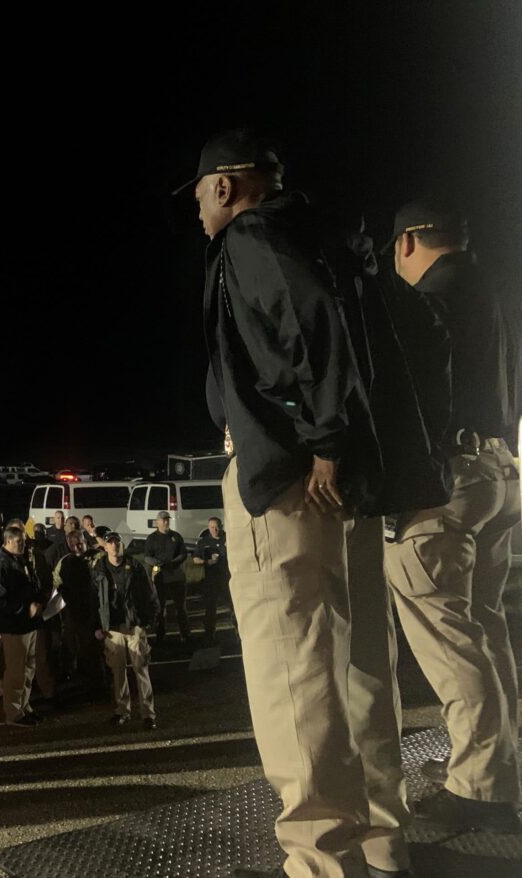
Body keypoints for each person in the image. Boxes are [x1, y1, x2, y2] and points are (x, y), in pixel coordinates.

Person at [185, 129, 404, 878]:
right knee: (362, 666)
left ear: (224, 186)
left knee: (296, 673)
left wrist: (323, 439)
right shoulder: (328, 235)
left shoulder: (251, 234)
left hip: (289, 482)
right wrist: (339, 443)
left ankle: (321, 860)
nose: (197, 210)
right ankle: (382, 842)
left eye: (198, 194)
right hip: (346, 484)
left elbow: (306, 322)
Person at [383, 202, 521, 833]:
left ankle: (481, 786)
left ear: (407, 242)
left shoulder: (428, 300)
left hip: (450, 481)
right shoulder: (489, 293)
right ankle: (494, 766)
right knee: (485, 629)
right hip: (498, 469)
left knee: (450, 637)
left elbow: (407, 397)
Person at [91, 533, 158, 729]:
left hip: (134, 624)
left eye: (117, 542)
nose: (114, 546)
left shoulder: (135, 567)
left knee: (141, 668)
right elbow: (93, 599)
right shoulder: (98, 570)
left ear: (122, 545)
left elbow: (149, 592)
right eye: (110, 543)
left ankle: (148, 714)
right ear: (105, 547)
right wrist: (96, 625)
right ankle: (122, 710)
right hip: (112, 627)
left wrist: (150, 619)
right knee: (117, 671)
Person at [0, 526, 43, 728]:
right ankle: (13, 713)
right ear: (8, 541)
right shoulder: (0, 564)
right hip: (14, 626)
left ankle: (24, 706)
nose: (23, 545)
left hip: (27, 624)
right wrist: (24, 608)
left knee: (28, 668)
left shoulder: (19, 559)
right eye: (20, 542)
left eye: (24, 541)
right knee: (16, 671)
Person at [54, 530, 102, 688]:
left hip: (95, 609)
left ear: (85, 541)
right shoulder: (65, 562)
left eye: (79, 543)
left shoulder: (97, 557)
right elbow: (57, 583)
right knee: (71, 643)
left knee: (93, 646)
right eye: (73, 544)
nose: (77, 547)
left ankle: (97, 680)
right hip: (73, 610)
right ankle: (70, 673)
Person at [142, 512, 190, 643]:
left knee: (181, 608)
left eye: (167, 520)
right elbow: (147, 557)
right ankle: (160, 636)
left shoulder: (176, 536)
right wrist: (158, 563)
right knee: (160, 608)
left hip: (177, 577)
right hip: (160, 578)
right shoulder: (152, 538)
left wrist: (174, 562)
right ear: (157, 522)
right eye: (163, 520)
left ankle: (185, 635)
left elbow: (183, 553)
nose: (166, 522)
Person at [193, 516, 231, 644]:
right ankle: (209, 635)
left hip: (227, 578)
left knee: (233, 606)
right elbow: (195, 559)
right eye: (212, 527)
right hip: (211, 580)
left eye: (217, 527)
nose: (215, 530)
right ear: (208, 527)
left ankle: (238, 633)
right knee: (210, 608)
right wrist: (206, 561)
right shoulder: (204, 541)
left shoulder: (228, 538)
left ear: (221, 527)